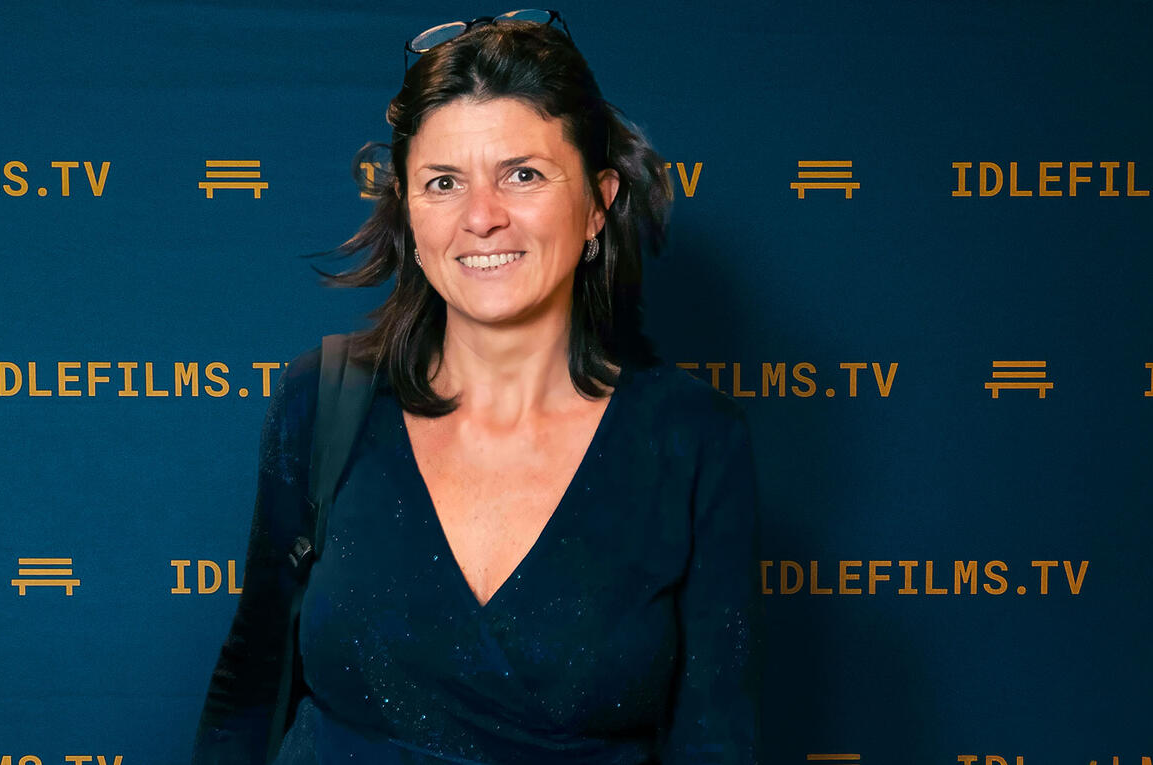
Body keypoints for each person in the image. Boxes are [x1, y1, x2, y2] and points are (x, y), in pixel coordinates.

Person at [193, 10, 760, 764]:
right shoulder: (322, 400)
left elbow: (716, 736)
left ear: (598, 203)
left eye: (523, 175)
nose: (482, 217)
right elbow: (248, 690)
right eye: (443, 183)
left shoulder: (693, 437)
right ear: (407, 210)